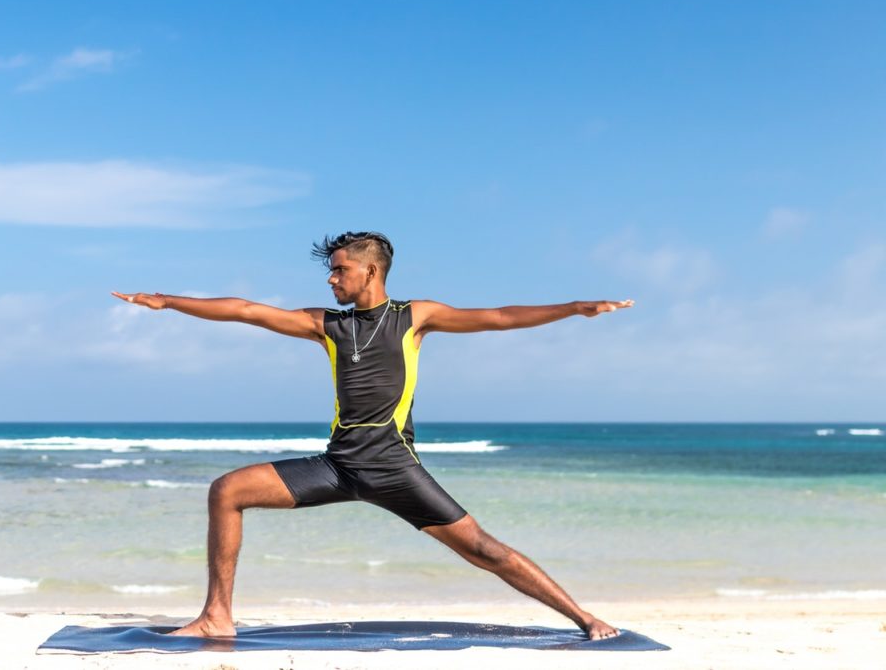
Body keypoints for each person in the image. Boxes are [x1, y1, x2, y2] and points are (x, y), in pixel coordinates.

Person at [112, 231, 633, 640]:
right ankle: (216, 615)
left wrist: (571, 307)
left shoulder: (413, 318)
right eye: (331, 271)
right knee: (227, 491)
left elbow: (498, 317)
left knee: (484, 550)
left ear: (370, 270)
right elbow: (248, 310)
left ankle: (584, 617)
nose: (332, 280)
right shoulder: (329, 326)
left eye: (339, 270)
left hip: (394, 469)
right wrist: (170, 301)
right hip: (337, 467)